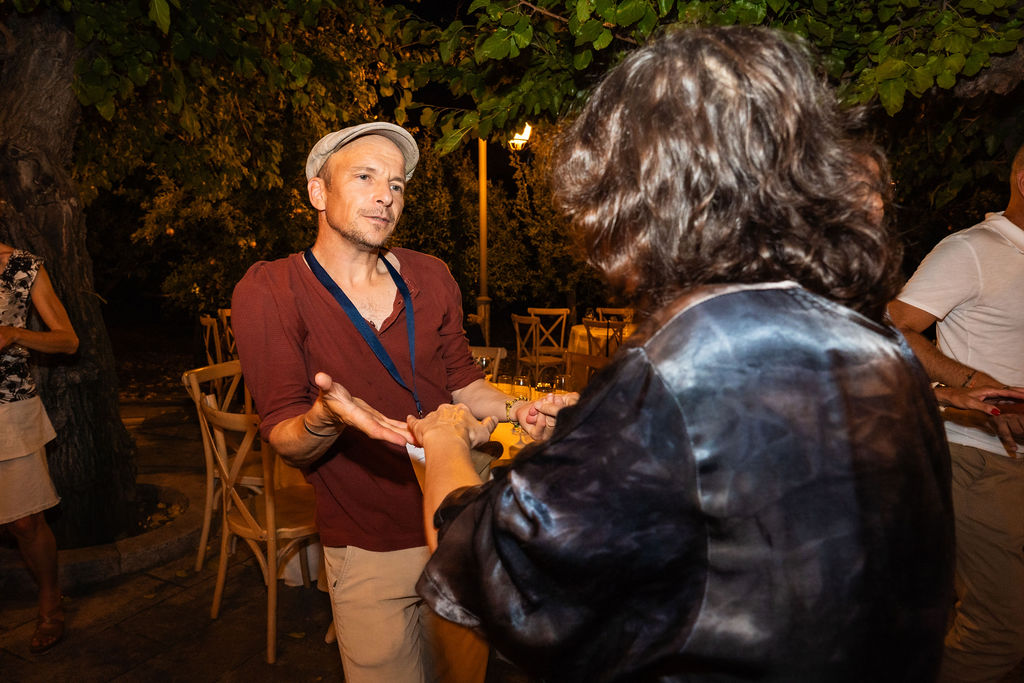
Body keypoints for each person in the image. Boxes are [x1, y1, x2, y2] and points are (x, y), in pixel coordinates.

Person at [408, 26, 956, 682]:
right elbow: (758, 506)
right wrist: (590, 447)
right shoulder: (881, 345)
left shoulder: (682, 366)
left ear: (641, 194)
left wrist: (443, 445)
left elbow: (495, 573)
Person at [230, 122, 551, 682]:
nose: (386, 196)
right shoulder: (271, 290)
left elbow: (464, 382)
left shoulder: (431, 275)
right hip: (367, 543)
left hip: (459, 521)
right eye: (365, 177)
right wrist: (325, 418)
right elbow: (284, 436)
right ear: (318, 192)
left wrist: (516, 410)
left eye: (397, 184)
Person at [888, 142, 1024, 682]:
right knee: (999, 630)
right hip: (980, 458)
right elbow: (893, 326)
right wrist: (970, 383)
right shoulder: (973, 249)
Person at [0, 242, 79, 654]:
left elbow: (68, 341)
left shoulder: (22, 267)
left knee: (25, 522)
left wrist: (14, 334)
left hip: (9, 408)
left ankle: (50, 600)